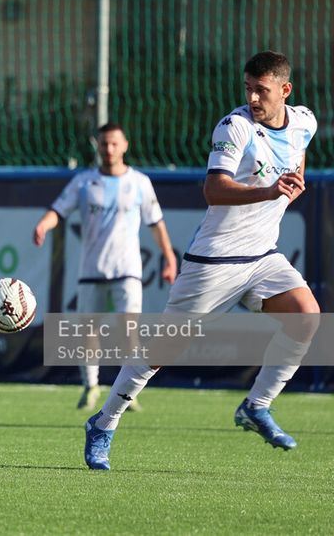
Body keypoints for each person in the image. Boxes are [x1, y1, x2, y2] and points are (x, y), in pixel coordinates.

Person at [84, 50, 320, 470]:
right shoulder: (235, 127)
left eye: (261, 90)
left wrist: (295, 177)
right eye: (247, 88)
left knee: (307, 316)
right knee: (161, 350)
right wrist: (269, 191)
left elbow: (298, 149)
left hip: (262, 257)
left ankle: (256, 406)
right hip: (215, 260)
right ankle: (103, 422)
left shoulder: (304, 121)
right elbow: (214, 190)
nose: (252, 97)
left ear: (285, 90)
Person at [33, 123, 177, 411]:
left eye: (114, 143)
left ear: (124, 146)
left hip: (127, 269)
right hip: (92, 269)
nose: (109, 149)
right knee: (89, 331)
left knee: (129, 331)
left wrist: (170, 258)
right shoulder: (84, 182)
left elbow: (156, 223)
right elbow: (58, 210)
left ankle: (129, 391)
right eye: (104, 144)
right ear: (97, 146)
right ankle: (90, 387)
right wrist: (43, 225)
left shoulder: (139, 182)